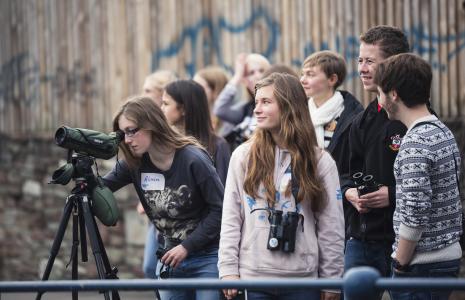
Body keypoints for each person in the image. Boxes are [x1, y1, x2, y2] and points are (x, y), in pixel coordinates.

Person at [219, 73, 344, 300]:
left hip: (303, 279)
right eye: (257, 102)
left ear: (289, 106)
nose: (257, 109)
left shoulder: (320, 161)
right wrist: (228, 270)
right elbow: (231, 216)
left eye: (266, 102)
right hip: (253, 278)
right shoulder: (243, 156)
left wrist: (332, 279)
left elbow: (331, 225)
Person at [102, 96, 223, 300]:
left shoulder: (193, 159)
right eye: (123, 134)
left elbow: (220, 210)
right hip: (169, 256)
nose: (128, 139)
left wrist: (187, 247)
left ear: (153, 125)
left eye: (132, 131)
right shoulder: (133, 163)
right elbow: (99, 188)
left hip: (208, 256)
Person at [373, 53, 462, 300]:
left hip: (421, 264)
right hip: (445, 258)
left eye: (379, 93)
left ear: (393, 94)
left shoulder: (415, 143)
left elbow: (415, 212)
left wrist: (400, 263)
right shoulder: (441, 131)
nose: (379, 101)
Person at [340, 25, 410, 294]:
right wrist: (351, 194)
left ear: (393, 64)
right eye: (360, 60)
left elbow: (437, 189)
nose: (362, 68)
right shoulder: (360, 121)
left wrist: (390, 195)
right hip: (360, 241)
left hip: (404, 241)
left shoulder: (418, 121)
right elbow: (346, 174)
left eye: (370, 61)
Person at [300, 52, 363, 239]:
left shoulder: (354, 118)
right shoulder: (298, 114)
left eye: (310, 74)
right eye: (302, 74)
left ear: (332, 79)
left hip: (340, 206)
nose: (303, 79)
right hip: (304, 202)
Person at [139, 69, 177, 279]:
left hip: (173, 208)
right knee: (150, 267)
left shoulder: (168, 129)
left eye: (148, 90)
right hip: (154, 206)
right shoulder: (147, 126)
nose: (143, 95)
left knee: (156, 266)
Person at [162, 79, 231, 184]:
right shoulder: (165, 143)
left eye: (166, 104)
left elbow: (223, 190)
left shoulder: (218, 145)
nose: (161, 108)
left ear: (183, 109)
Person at [213, 53, 271, 149]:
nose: (258, 76)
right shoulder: (246, 109)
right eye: (251, 73)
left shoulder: (279, 104)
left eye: (262, 70)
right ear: (245, 81)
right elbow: (220, 109)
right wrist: (237, 77)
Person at [193, 66, 231, 135]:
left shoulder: (229, 123)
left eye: (198, 87)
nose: (193, 91)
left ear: (215, 91)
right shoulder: (195, 118)